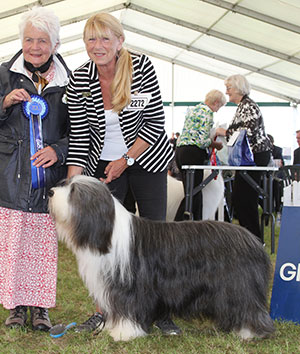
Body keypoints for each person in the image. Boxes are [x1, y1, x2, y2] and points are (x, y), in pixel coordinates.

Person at [66, 13, 178, 335]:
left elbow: (155, 125)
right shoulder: (79, 79)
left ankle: (161, 312)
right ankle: (104, 312)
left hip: (146, 158)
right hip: (102, 165)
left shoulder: (140, 68)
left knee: (157, 239)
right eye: (91, 39)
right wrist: (74, 185)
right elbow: (78, 138)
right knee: (102, 242)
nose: (97, 46)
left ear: (119, 40)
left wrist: (125, 160)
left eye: (104, 38)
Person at [0, 7, 70, 330]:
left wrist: (58, 151)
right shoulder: (4, 74)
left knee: (42, 244)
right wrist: (3, 104)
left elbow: (81, 132)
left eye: (42, 40)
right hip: (11, 175)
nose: (35, 47)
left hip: (48, 179)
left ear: (55, 44)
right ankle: (14, 306)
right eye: (29, 40)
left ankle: (40, 307)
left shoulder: (70, 82)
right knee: (12, 244)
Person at [216, 74, 271, 242]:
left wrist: (222, 132)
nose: (227, 92)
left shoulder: (248, 106)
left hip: (254, 157)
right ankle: (250, 241)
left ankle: (254, 242)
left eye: (229, 88)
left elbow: (248, 133)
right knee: (241, 200)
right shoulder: (243, 106)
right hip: (249, 159)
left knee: (245, 200)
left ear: (239, 88)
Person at [175, 89, 226, 220]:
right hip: (193, 153)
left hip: (181, 151)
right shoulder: (207, 112)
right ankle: (185, 223)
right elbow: (202, 141)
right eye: (219, 106)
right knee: (195, 193)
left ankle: (189, 223)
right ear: (215, 102)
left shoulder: (194, 109)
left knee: (190, 193)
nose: (217, 110)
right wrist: (216, 145)